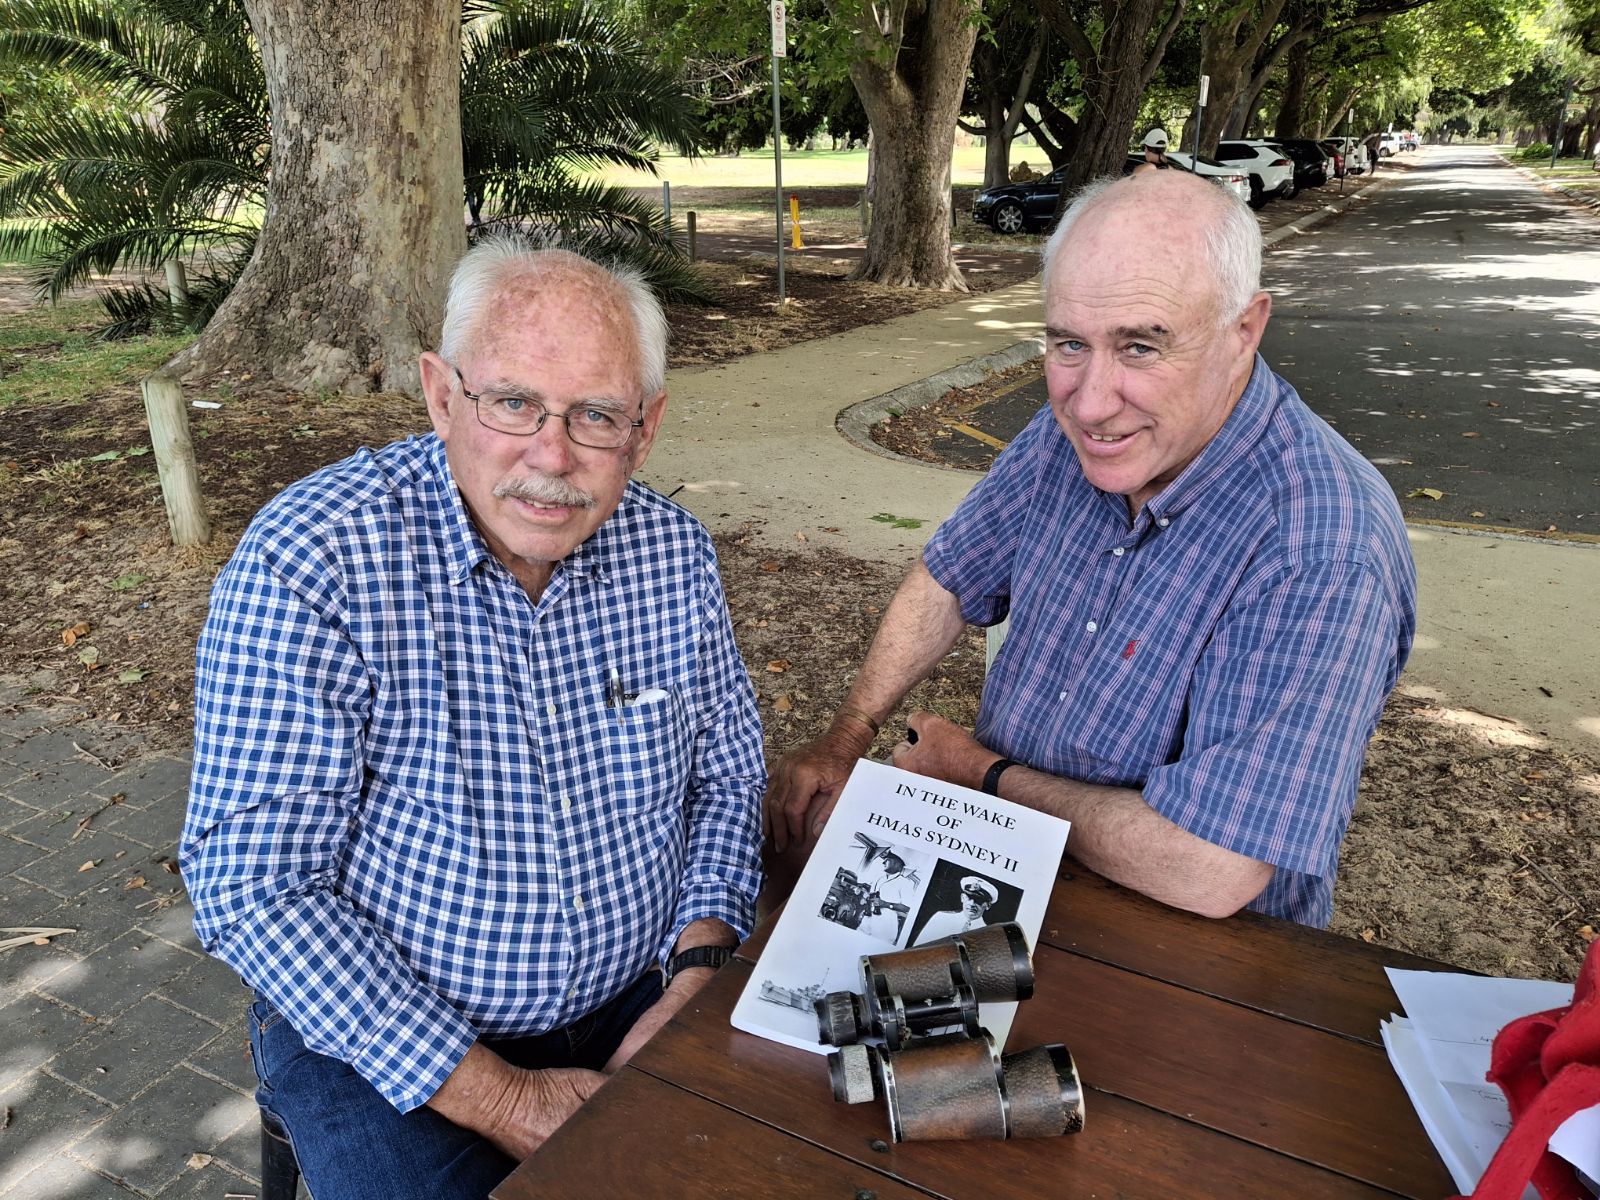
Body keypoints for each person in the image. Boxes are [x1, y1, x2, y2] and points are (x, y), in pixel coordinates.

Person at [181, 239, 766, 1200]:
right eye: (513, 402)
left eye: (596, 414)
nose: (552, 454)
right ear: (441, 395)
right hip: (376, 1031)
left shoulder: (674, 555)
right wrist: (503, 1098)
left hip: (645, 995)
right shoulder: (316, 558)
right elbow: (255, 884)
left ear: (645, 427)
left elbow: (727, 779)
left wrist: (698, 972)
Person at [767, 169, 1416, 929]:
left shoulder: (1321, 545)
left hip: (1188, 960)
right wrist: (847, 735)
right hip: (1006, 884)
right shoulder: (1069, 434)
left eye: (1141, 346)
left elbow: (1213, 868)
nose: (1091, 401)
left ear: (1244, 331)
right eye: (1068, 343)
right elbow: (946, 580)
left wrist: (979, 772)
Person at [917, 876, 997, 943]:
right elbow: (916, 949)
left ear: (988, 905)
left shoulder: (987, 935)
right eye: (969, 898)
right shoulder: (941, 917)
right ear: (962, 898)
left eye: (978, 900)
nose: (972, 903)